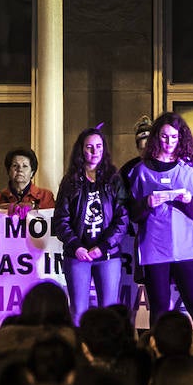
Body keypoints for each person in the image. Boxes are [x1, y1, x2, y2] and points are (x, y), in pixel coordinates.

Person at [128, 112, 193, 333]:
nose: (169, 143)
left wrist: (188, 201)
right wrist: (147, 202)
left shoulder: (191, 167)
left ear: (181, 138)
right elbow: (133, 214)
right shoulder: (140, 171)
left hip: (187, 249)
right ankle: (159, 353)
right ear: (157, 137)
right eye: (165, 137)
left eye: (174, 138)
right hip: (154, 250)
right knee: (159, 308)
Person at [55, 128, 129, 324]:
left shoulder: (114, 179)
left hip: (107, 255)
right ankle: (80, 351)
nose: (94, 152)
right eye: (89, 147)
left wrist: (104, 246)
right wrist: (75, 246)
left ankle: (106, 352)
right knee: (78, 311)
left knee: (109, 310)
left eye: (98, 147)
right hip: (78, 256)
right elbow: (61, 219)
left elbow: (122, 218)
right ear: (81, 151)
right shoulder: (70, 182)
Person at [0, 148, 56, 217]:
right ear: (9, 171)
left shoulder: (45, 196)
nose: (20, 169)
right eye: (15, 165)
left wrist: (34, 207)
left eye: (25, 166)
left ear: (32, 172)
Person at [118, 115, 152, 184]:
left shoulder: (165, 167)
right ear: (137, 148)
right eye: (142, 149)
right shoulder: (127, 170)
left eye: (149, 148)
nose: (146, 153)